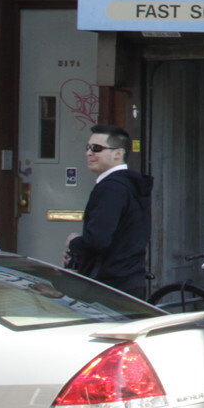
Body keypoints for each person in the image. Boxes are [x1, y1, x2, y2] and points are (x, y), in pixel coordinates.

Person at [65, 126, 153, 297]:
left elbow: (98, 240)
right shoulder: (130, 185)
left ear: (118, 154)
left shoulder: (111, 189)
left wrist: (74, 242)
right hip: (129, 281)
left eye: (97, 148)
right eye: (88, 147)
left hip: (108, 287)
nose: (89, 153)